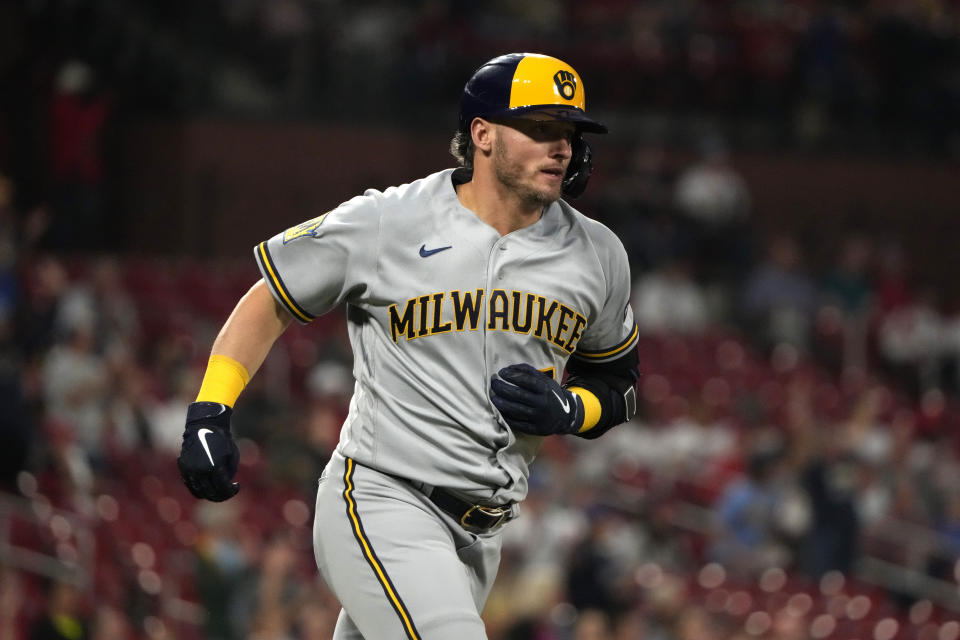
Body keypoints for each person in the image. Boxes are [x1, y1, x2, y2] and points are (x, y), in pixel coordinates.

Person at [176, 52, 640, 639]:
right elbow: (269, 299)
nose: (562, 147)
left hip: (480, 539)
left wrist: (574, 409)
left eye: (570, 132)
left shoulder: (597, 254)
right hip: (382, 498)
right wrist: (211, 410)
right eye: (541, 128)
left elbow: (620, 384)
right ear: (483, 135)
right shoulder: (389, 220)